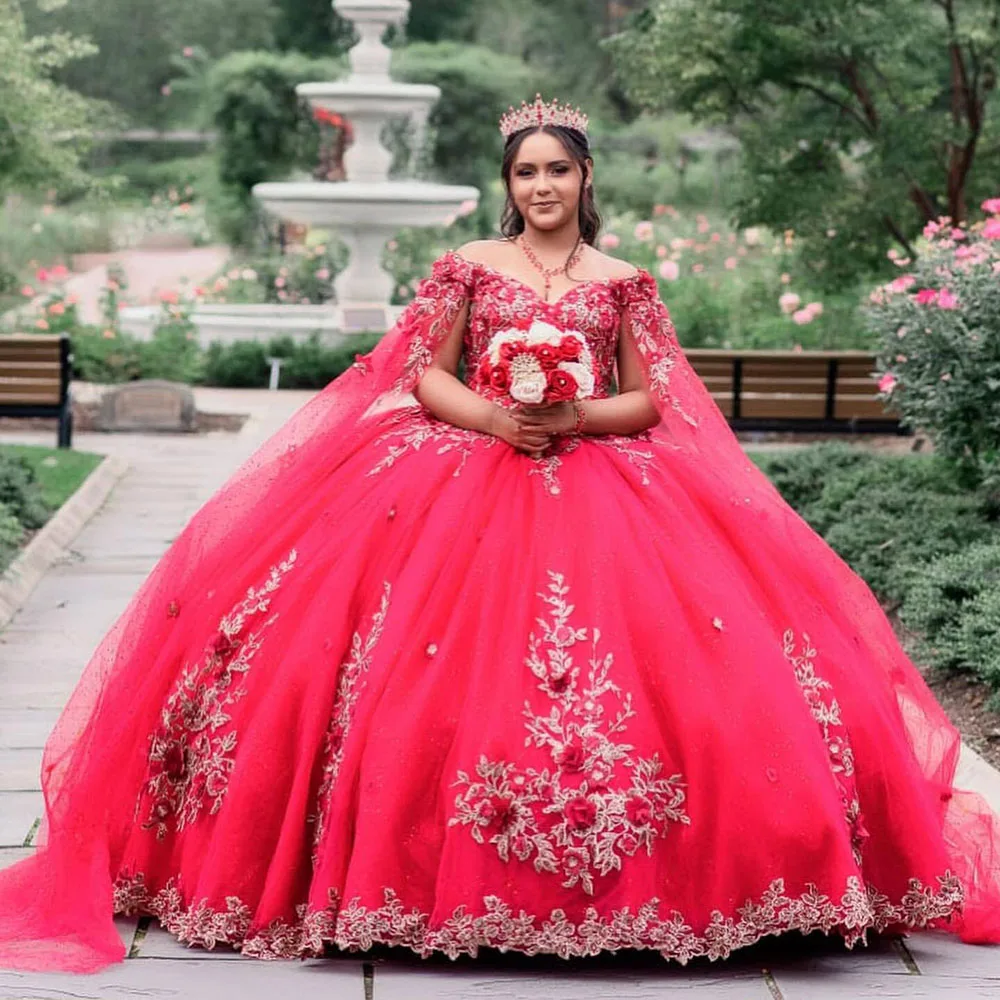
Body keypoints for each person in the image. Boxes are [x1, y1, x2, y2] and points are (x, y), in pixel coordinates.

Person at [1, 95, 999, 974]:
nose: (540, 187)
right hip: (461, 471)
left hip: (601, 483)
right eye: (524, 172)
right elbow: (423, 371)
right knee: (371, 664)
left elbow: (651, 401)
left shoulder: (622, 278)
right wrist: (488, 415)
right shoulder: (470, 267)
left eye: (556, 168)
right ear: (508, 182)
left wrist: (569, 417)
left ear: (585, 174)